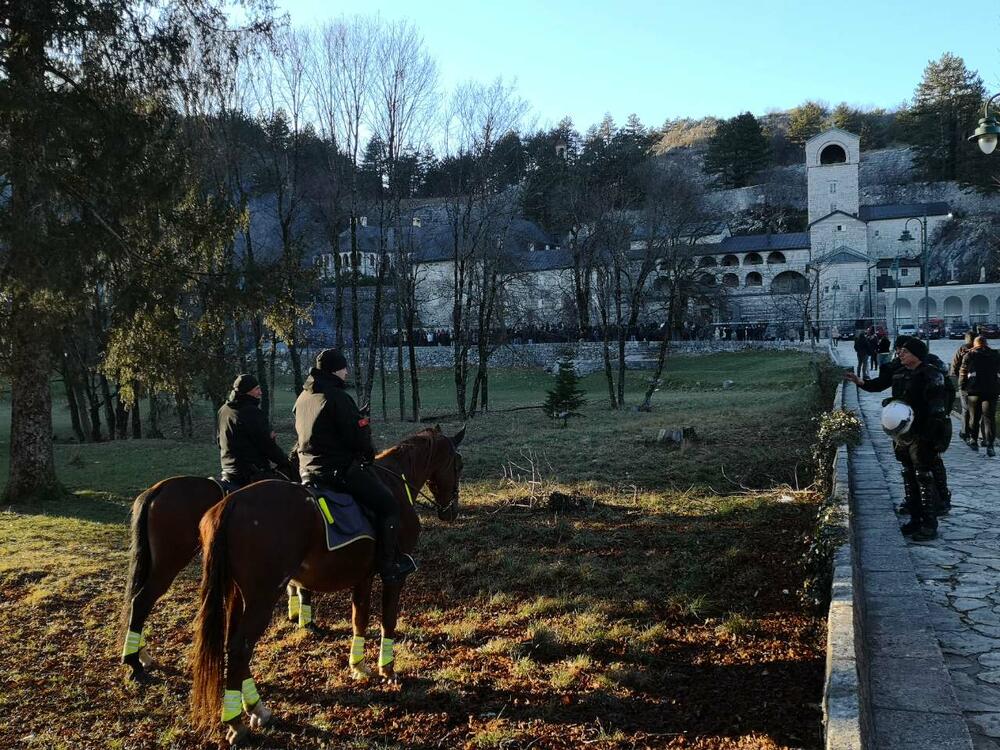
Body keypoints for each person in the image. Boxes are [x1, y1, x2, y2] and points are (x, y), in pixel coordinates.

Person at [294, 348, 416, 583]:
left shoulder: (303, 398)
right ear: (335, 370)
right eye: (344, 368)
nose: (346, 372)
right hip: (337, 471)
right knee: (389, 505)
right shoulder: (337, 397)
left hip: (306, 470)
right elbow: (356, 438)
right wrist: (367, 450)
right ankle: (388, 565)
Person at [846, 337, 952, 541]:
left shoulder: (931, 375)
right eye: (900, 351)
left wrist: (930, 437)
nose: (900, 354)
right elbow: (880, 385)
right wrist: (860, 382)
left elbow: (937, 410)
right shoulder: (900, 372)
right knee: (908, 474)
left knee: (923, 476)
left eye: (905, 351)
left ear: (916, 354)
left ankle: (929, 523)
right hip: (903, 433)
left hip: (922, 432)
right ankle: (914, 518)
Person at [218, 374, 293, 488]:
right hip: (250, 473)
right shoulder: (251, 412)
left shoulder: (223, 410)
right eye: (257, 389)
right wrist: (285, 462)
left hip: (228, 470)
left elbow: (219, 440)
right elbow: (266, 445)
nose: (260, 392)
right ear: (247, 391)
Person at [959, 335, 1000, 457]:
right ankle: (990, 445)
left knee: (974, 417)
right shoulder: (995, 355)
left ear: (974, 344)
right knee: (989, 418)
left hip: (974, 391)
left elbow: (963, 372)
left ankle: (973, 439)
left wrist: (962, 386)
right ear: (986, 343)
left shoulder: (969, 355)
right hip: (991, 390)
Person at [952, 331, 976, 442]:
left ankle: (965, 432)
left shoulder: (962, 349)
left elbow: (955, 366)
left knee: (966, 408)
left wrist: (960, 377)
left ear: (966, 339)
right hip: (980, 383)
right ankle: (975, 433)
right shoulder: (982, 349)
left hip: (965, 383)